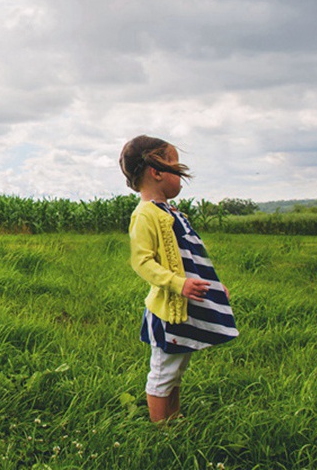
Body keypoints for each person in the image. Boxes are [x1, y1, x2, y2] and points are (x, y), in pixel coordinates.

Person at [119, 135, 238, 423]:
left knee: (177, 369)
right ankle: (161, 433)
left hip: (184, 309)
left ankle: (173, 418)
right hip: (168, 311)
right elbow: (143, 262)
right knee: (163, 373)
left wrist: (211, 286)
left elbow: (191, 257)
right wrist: (178, 284)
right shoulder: (146, 214)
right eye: (175, 166)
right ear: (156, 172)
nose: (181, 175)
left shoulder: (173, 213)